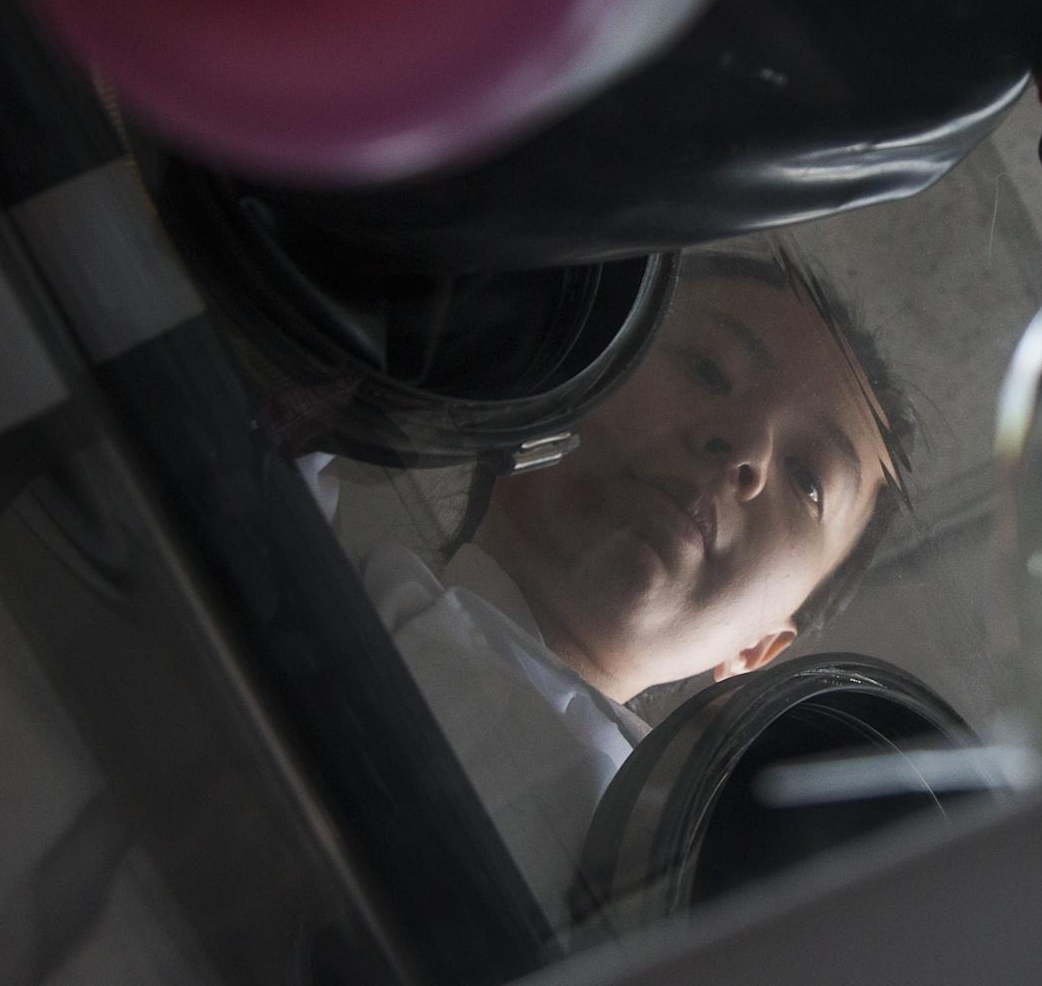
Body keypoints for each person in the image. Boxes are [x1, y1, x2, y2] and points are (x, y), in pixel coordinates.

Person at [346, 249, 915, 923]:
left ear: (758, 652)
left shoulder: (665, 914)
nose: (744, 449)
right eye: (707, 368)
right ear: (561, 386)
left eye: (808, 481)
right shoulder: (288, 506)